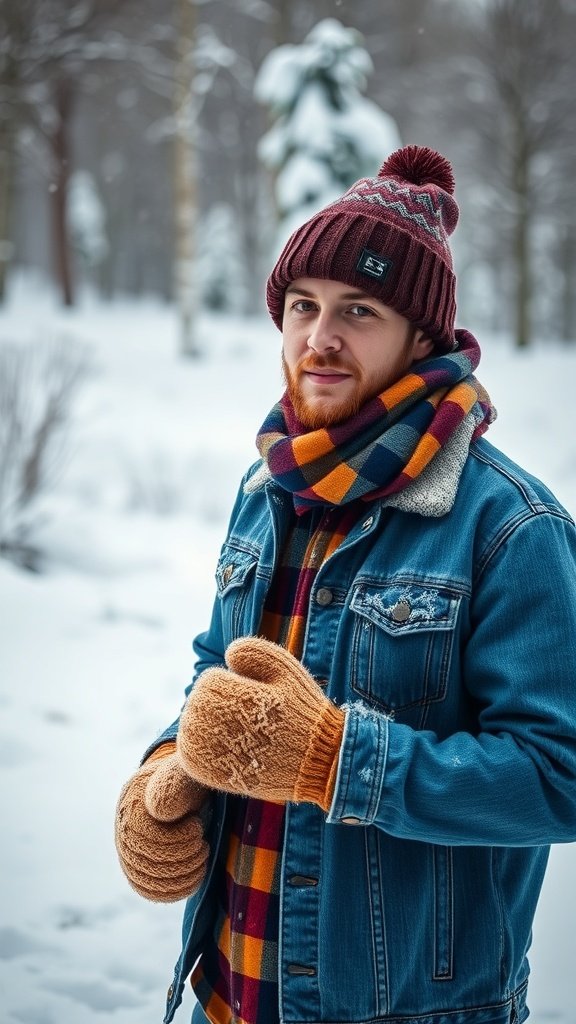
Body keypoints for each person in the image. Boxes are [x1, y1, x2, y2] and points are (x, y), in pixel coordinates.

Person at [115, 145, 576, 1024]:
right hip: (231, 992)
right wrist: (168, 774)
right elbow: (221, 674)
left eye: (357, 311)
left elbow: (560, 775)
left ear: (421, 339)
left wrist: (337, 760)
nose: (318, 338)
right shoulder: (268, 492)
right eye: (302, 306)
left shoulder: (511, 527)